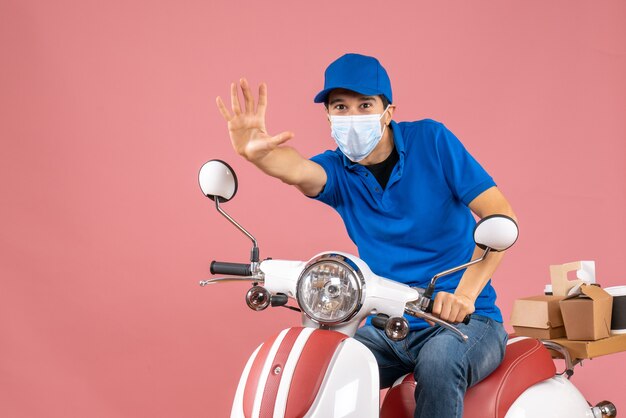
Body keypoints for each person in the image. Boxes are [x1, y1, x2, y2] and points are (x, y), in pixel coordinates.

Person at [216, 53, 517, 418]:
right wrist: (256, 155)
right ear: (328, 116)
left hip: (466, 321)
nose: (352, 116)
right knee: (324, 361)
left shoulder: (432, 141)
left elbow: (499, 215)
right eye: (341, 107)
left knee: (439, 363)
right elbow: (296, 170)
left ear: (388, 112)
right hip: (388, 322)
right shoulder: (337, 171)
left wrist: (464, 294)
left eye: (365, 105)